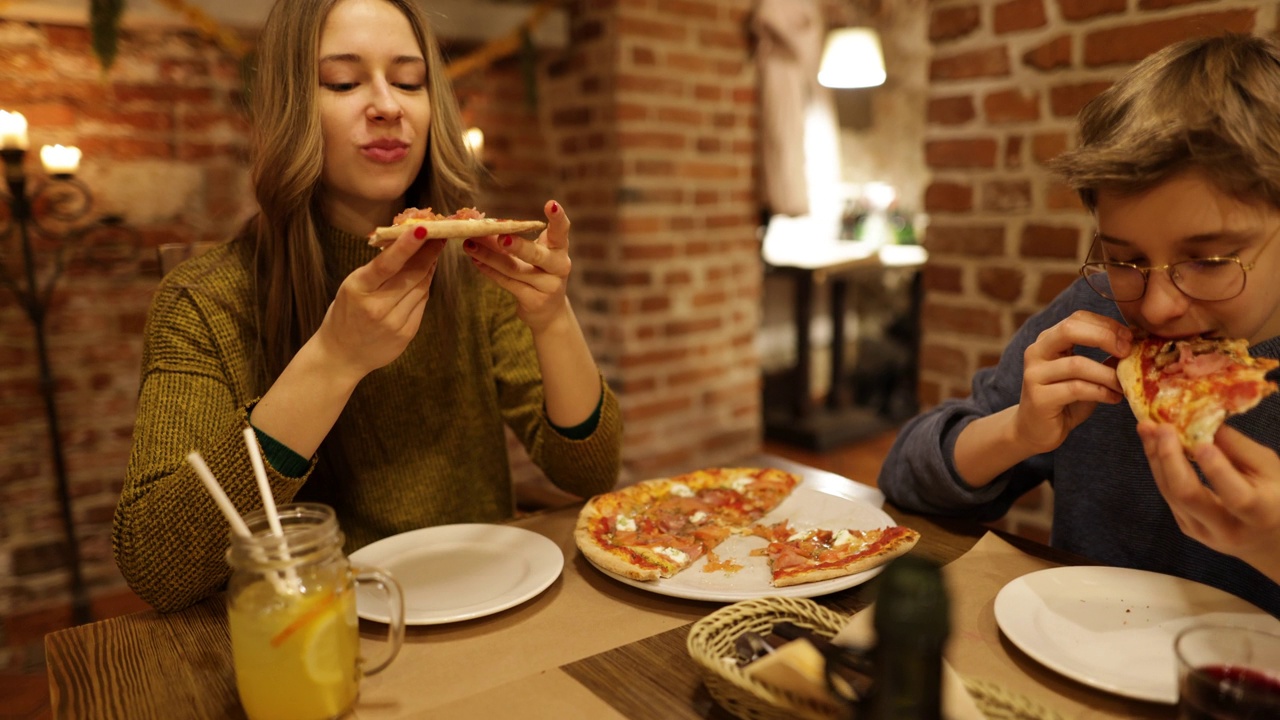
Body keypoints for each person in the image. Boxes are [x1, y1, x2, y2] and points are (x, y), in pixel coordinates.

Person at [113, 0, 623, 613]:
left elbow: (589, 473)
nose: (388, 105)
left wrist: (551, 318)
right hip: (312, 627)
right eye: (344, 81)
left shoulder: (475, 264)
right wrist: (333, 360)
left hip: (486, 602)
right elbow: (155, 563)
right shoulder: (205, 299)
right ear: (291, 107)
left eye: (409, 81)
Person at [878, 33, 1280, 616]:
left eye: (1210, 261)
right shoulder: (1093, 324)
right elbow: (904, 474)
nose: (1160, 305)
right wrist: (1016, 432)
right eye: (1126, 260)